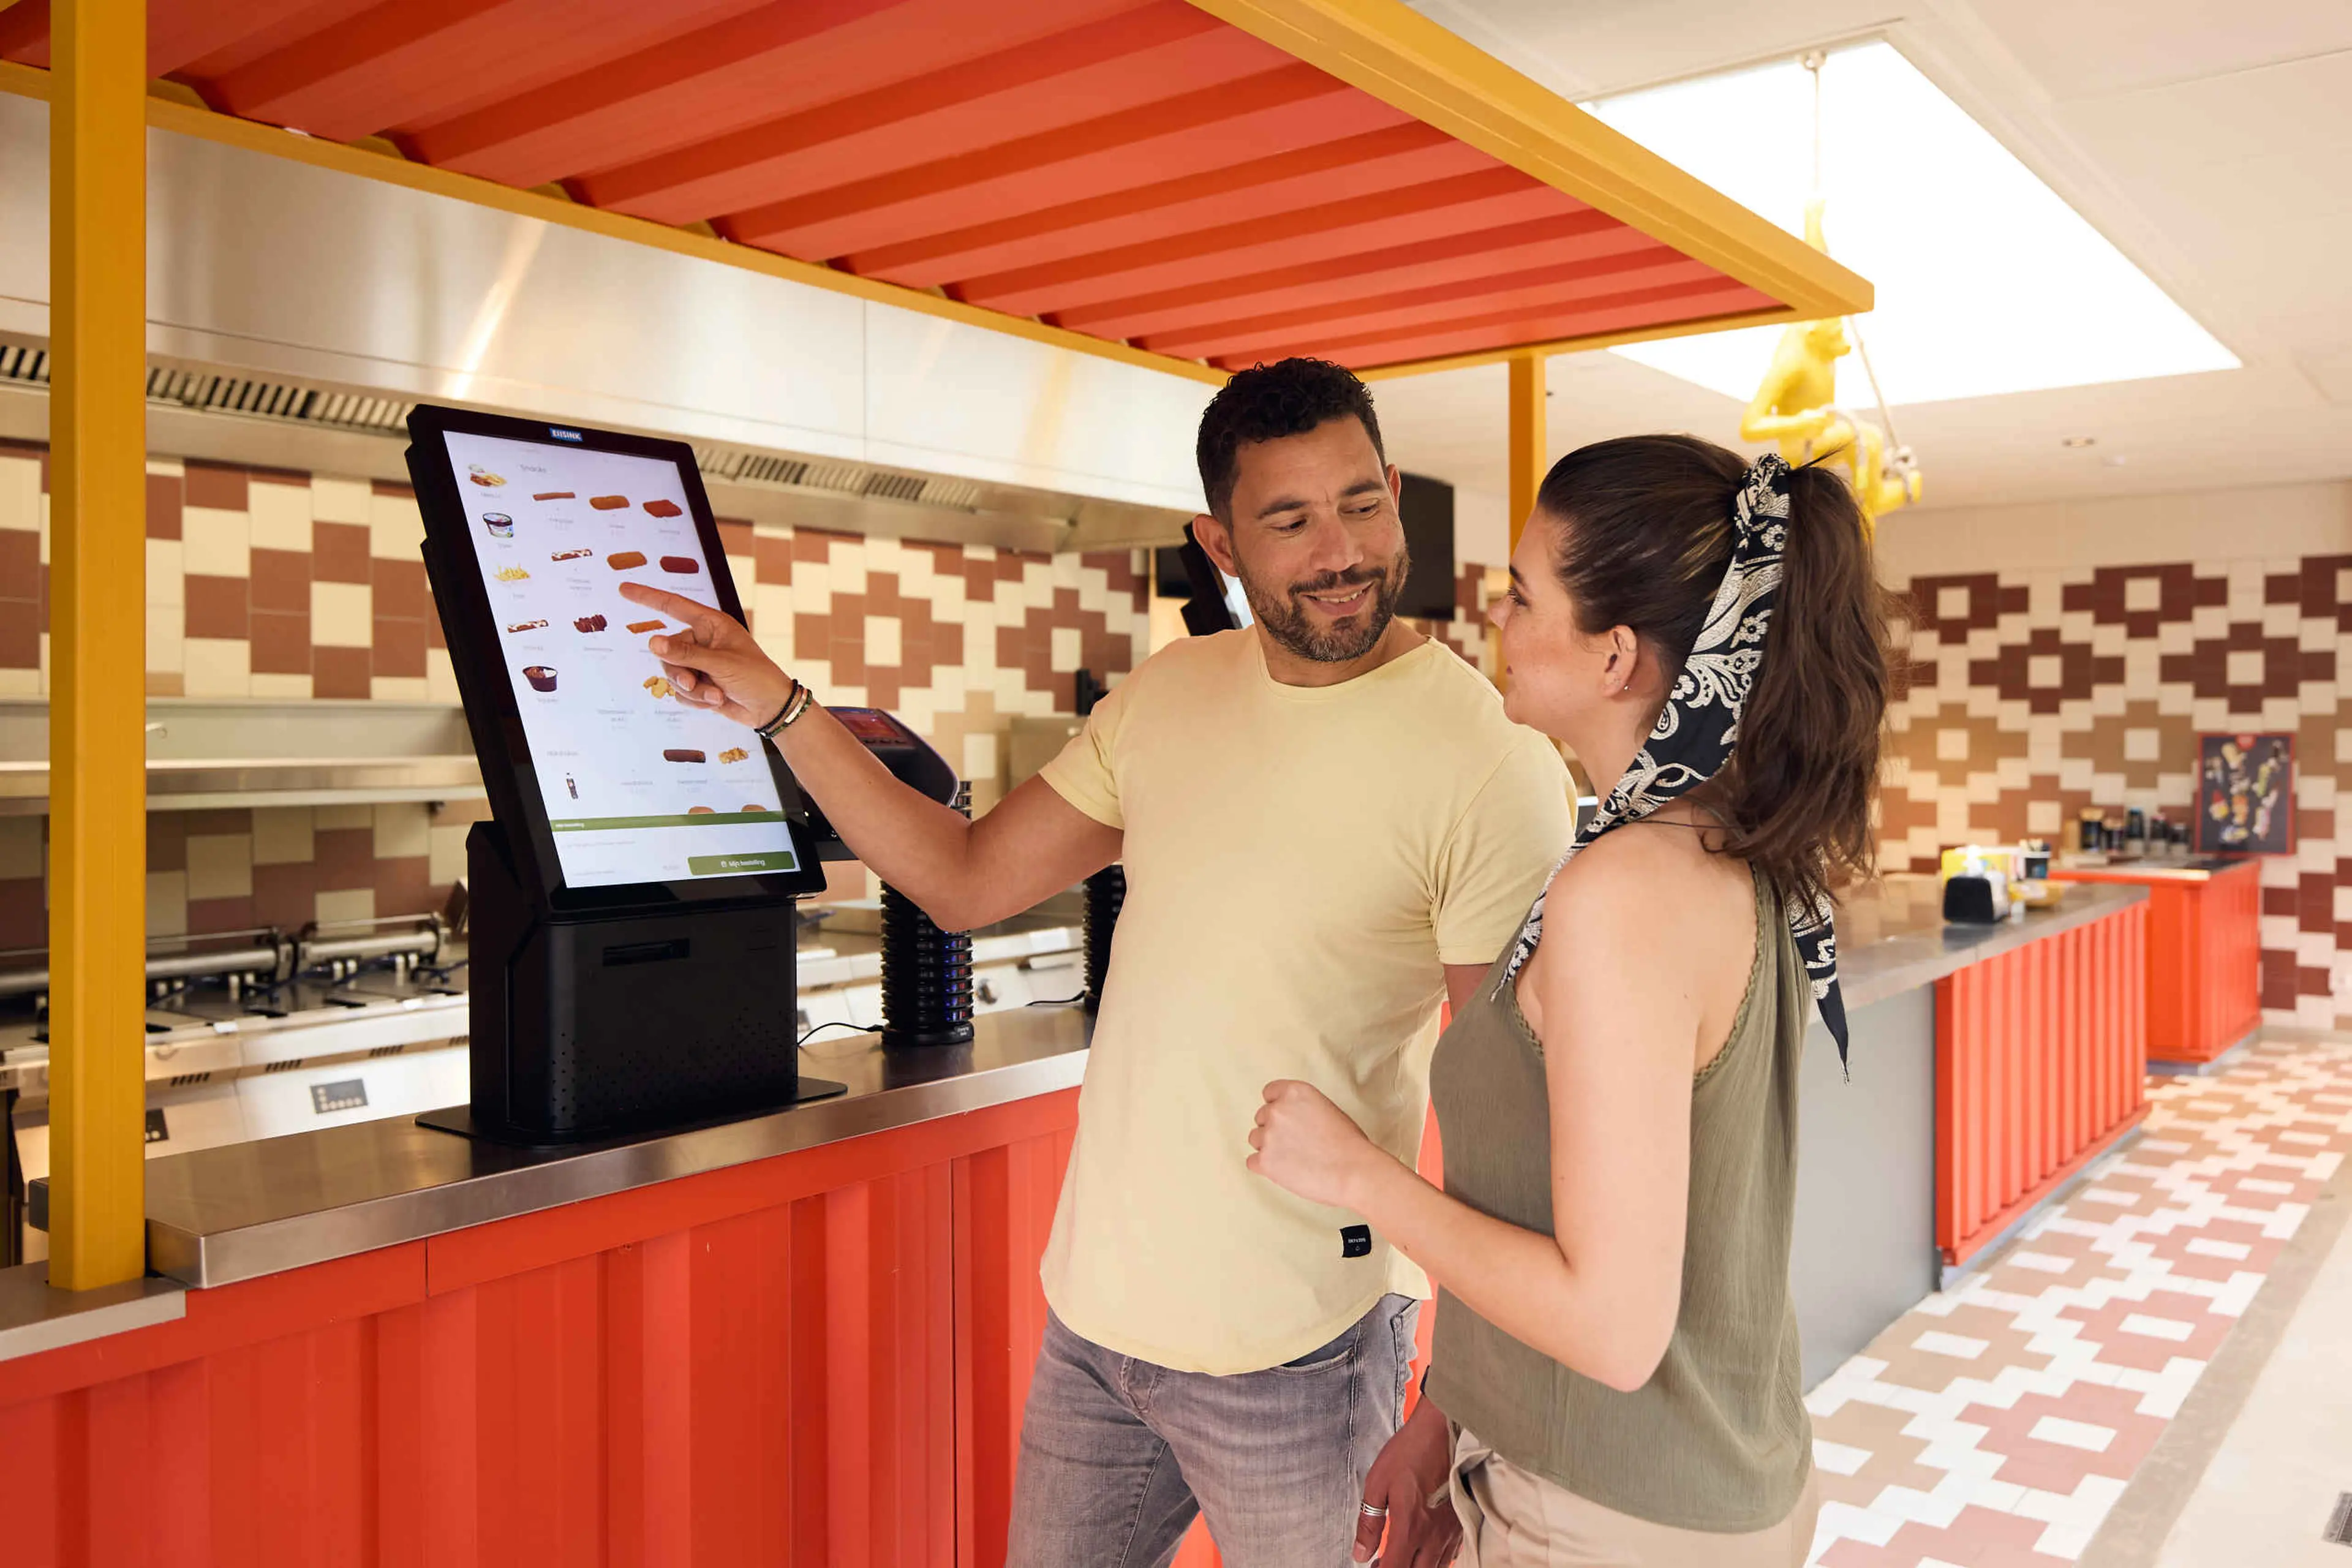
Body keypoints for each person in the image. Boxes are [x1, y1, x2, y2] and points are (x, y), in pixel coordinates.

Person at [619, 357, 1574, 1567]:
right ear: (1218, 541)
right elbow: (962, 875)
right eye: (1288, 519)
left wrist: (1447, 1402)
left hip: (1304, 1347)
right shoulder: (1169, 697)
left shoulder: (1488, 761)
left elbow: (1510, 1123)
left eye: (1360, 502)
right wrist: (782, 707)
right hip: (1096, 1331)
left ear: (1394, 487)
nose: (1340, 550)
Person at [1250, 435, 1890, 1567]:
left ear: (1615, 658)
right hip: (1679, 1487)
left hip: (1606, 1521)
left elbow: (1610, 1323)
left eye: (1523, 593)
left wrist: (1353, 1174)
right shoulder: (1721, 847)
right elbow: (1571, 1201)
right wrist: (1447, 1415)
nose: (1497, 615)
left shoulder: (1626, 894)